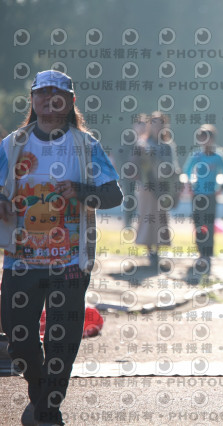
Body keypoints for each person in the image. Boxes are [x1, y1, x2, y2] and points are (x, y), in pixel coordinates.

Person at [0, 70, 122, 425]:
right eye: (42, 93)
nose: (49, 101)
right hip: (21, 261)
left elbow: (113, 195)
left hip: (70, 261)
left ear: (70, 102)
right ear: (33, 99)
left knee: (61, 343)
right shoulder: (12, 145)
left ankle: (47, 410)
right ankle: (42, 396)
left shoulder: (85, 146)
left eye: (58, 95)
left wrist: (81, 191)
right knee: (19, 342)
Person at [134, 111, 181, 267]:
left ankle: (158, 250)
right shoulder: (143, 144)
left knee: (161, 219)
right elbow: (135, 164)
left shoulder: (168, 146)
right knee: (147, 217)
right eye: (154, 125)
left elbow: (173, 167)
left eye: (160, 125)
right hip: (147, 187)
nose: (157, 128)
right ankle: (150, 251)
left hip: (162, 187)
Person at [181, 124, 223, 270]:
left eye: (207, 138)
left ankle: (208, 253)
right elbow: (187, 170)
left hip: (211, 195)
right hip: (197, 195)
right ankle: (200, 251)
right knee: (198, 223)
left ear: (212, 139)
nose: (204, 141)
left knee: (208, 223)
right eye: (201, 138)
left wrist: (222, 187)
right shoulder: (196, 155)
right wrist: (189, 186)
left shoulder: (218, 156)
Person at [121, 114, 148, 227]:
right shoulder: (128, 141)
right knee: (130, 199)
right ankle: (128, 224)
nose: (141, 127)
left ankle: (142, 226)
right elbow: (122, 157)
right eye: (139, 125)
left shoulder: (149, 141)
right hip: (129, 176)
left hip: (145, 176)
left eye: (144, 125)